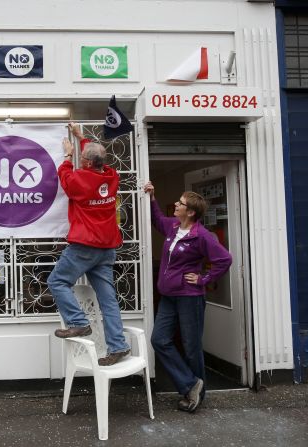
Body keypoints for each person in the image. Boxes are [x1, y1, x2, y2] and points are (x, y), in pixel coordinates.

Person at [143, 181, 232, 412]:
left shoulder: (201, 236)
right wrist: (152, 198)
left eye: (180, 203)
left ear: (190, 212)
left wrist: (203, 279)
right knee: (159, 340)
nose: (176, 204)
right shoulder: (173, 227)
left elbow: (224, 259)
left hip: (189, 296)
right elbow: (157, 220)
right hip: (169, 295)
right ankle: (190, 384)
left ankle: (196, 396)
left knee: (191, 346)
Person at [48, 123, 130, 366]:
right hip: (107, 247)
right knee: (108, 299)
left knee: (57, 281)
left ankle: (78, 322)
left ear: (84, 162)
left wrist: (67, 154)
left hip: (84, 246)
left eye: (82, 158)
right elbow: (97, 158)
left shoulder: (79, 179)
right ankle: (118, 346)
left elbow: (63, 174)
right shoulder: (111, 176)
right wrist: (82, 138)